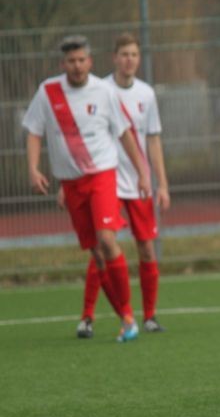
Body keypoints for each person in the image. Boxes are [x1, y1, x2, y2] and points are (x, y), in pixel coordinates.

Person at [23, 35, 150, 342]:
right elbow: (34, 131)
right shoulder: (48, 91)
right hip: (71, 183)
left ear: (90, 62)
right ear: (62, 64)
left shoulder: (104, 92)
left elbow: (125, 134)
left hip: (102, 176)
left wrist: (142, 172)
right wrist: (33, 168)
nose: (77, 66)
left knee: (107, 240)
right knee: (97, 252)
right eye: (71, 61)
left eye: (82, 60)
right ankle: (125, 318)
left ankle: (130, 314)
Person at [70, 33, 170, 336]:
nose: (129, 60)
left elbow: (152, 140)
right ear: (114, 57)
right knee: (103, 246)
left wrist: (160, 183)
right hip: (107, 180)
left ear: (139, 59)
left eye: (134, 55)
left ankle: (150, 316)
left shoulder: (146, 94)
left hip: (138, 183)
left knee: (147, 249)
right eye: (124, 54)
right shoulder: (99, 90)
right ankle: (87, 317)